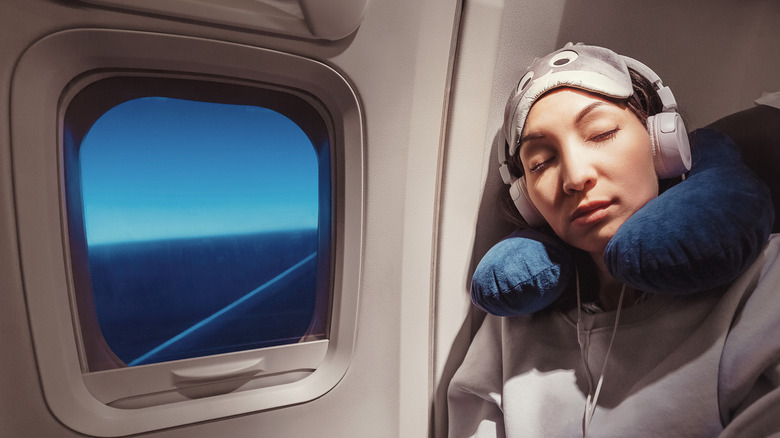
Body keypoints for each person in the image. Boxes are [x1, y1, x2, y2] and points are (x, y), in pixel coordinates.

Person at [447, 43, 780, 437]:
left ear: (663, 144)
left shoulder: (766, 282)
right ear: (527, 201)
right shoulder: (510, 328)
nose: (575, 177)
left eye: (601, 133)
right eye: (541, 163)